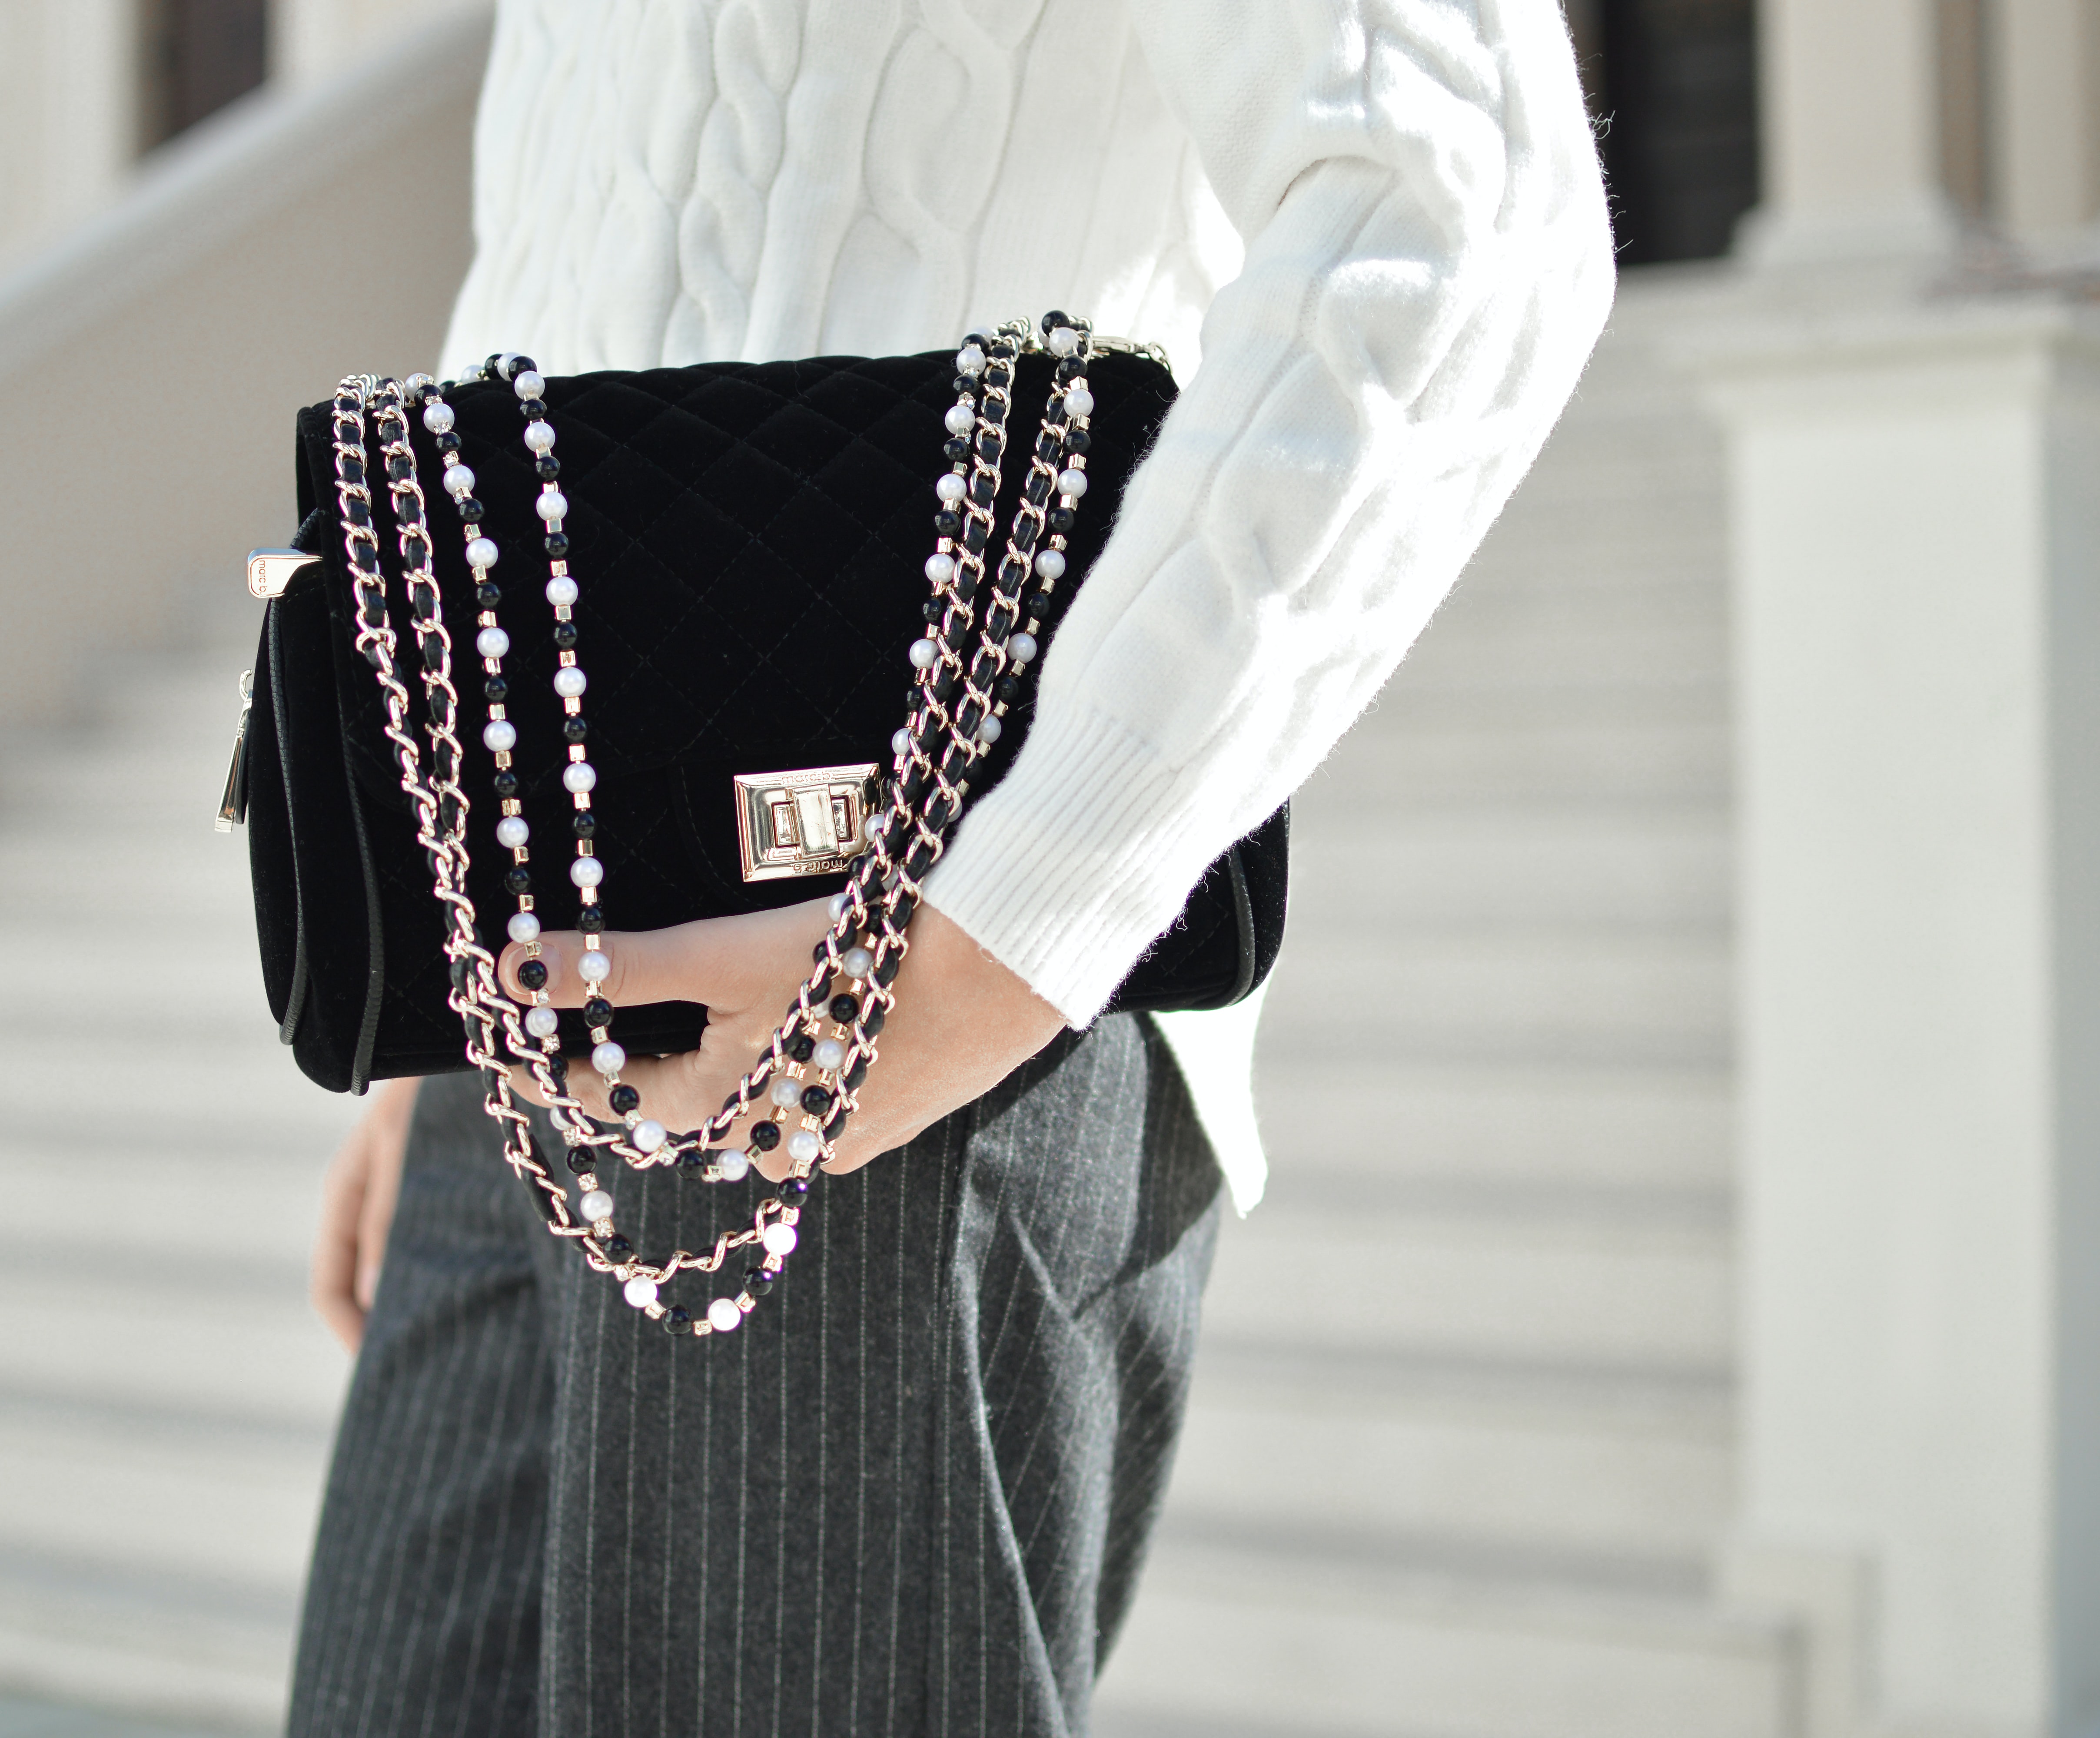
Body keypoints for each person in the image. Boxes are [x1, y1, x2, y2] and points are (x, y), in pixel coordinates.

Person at [289, 3, 1615, 1734]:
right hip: (533, 1002)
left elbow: (1461, 196)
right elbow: (569, 247)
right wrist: (441, 910)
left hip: (905, 979)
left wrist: (1003, 924)